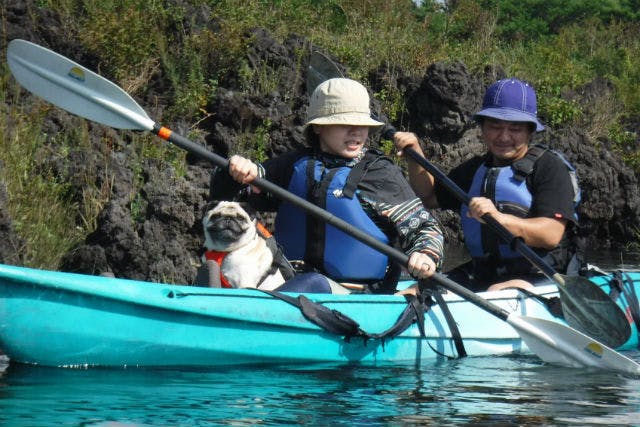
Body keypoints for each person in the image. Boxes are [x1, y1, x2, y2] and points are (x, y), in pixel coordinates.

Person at [210, 77, 444, 294]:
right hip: (291, 284)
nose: (356, 132)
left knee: (313, 282)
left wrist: (425, 254)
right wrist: (235, 171)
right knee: (220, 267)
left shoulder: (379, 173)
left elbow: (425, 228)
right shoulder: (294, 164)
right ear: (318, 127)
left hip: (358, 297)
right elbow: (227, 194)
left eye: (361, 124)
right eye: (345, 123)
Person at [393, 78, 582, 292]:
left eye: (515, 129)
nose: (504, 136)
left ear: (530, 131)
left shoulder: (549, 168)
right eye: (495, 126)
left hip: (541, 272)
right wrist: (415, 155)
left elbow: (550, 234)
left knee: (498, 291)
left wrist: (499, 219)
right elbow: (429, 196)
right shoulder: (475, 170)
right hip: (485, 272)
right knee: (414, 291)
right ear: (482, 128)